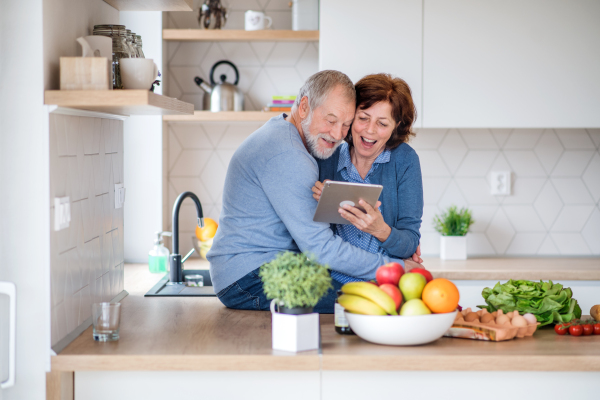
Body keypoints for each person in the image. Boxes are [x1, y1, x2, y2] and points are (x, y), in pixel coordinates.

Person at [207, 70, 407, 313]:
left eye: (346, 125)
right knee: (377, 303)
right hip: (250, 279)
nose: (337, 135)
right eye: (331, 120)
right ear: (304, 107)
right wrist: (394, 267)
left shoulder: (283, 133)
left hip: (255, 272)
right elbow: (321, 249)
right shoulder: (289, 155)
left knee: (376, 296)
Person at [312, 73, 424, 283]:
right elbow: (309, 236)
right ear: (351, 116)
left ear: (396, 127)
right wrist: (318, 202)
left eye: (382, 123)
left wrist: (382, 230)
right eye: (363, 118)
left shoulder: (405, 160)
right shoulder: (327, 156)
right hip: (329, 286)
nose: (370, 130)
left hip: (385, 284)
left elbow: (410, 243)